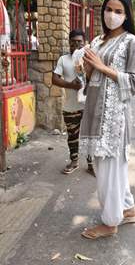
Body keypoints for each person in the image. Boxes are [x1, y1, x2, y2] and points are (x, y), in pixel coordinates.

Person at [79, 0, 135, 239]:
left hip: (114, 119)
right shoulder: (96, 41)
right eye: (108, 9)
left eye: (118, 11)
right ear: (102, 10)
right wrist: (86, 68)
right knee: (110, 170)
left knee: (108, 172)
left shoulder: (131, 43)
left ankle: (110, 222)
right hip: (95, 112)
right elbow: (91, 78)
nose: (112, 15)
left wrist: (103, 68)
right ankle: (128, 210)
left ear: (126, 15)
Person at [52, 29, 95, 176]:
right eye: (74, 42)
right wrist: (72, 85)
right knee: (72, 136)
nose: (77, 45)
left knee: (90, 136)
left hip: (89, 106)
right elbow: (54, 79)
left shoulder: (90, 58)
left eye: (80, 42)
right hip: (70, 107)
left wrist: (87, 82)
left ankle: (91, 164)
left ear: (84, 43)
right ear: (69, 42)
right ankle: (74, 161)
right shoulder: (63, 59)